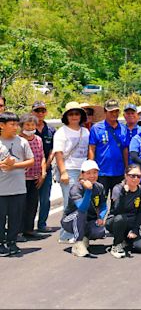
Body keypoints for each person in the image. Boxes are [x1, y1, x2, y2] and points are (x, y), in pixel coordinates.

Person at [53, 102, 90, 243]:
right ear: (66, 116)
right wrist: (63, 172)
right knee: (70, 203)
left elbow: (88, 151)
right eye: (71, 114)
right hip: (69, 169)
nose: (74, 116)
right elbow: (58, 153)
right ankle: (65, 234)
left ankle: (76, 230)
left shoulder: (85, 132)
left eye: (77, 114)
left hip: (83, 170)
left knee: (81, 203)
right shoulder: (61, 132)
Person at [0, 112, 34, 257]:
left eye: (16, 124)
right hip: (1, 190)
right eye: (12, 125)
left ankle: (12, 242)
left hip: (19, 188)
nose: (15, 127)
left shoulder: (22, 142)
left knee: (16, 218)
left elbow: (31, 161)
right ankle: (1, 243)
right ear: (1, 125)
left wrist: (15, 166)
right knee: (1, 219)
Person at [60, 160, 107, 257]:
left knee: (100, 231)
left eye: (95, 172)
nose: (92, 176)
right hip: (69, 220)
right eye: (88, 173)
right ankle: (78, 243)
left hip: (87, 220)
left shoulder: (99, 187)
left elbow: (103, 206)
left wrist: (101, 217)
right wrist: (88, 191)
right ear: (82, 174)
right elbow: (82, 208)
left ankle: (84, 237)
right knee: (82, 213)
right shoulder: (76, 188)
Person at [88, 99, 129, 198]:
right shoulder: (96, 128)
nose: (114, 114)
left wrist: (127, 169)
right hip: (102, 172)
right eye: (111, 111)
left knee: (117, 201)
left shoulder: (124, 129)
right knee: (100, 201)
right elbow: (91, 149)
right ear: (105, 112)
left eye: (116, 111)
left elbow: (125, 150)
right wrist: (91, 169)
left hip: (119, 171)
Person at [106, 164, 141, 258]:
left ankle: (125, 239)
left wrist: (135, 229)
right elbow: (117, 210)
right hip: (116, 221)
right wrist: (124, 194)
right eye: (132, 175)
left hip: (131, 223)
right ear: (126, 175)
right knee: (121, 218)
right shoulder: (118, 188)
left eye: (138, 176)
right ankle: (116, 245)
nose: (135, 178)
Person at [19, 114, 46, 238]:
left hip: (35, 177)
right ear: (21, 126)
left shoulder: (38, 140)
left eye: (32, 125)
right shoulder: (18, 140)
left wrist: (42, 173)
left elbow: (42, 157)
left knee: (33, 204)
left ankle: (29, 229)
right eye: (27, 125)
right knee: (20, 206)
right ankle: (18, 231)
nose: (30, 127)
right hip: (21, 178)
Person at [32, 101, 55, 233]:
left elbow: (53, 150)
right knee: (30, 199)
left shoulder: (51, 130)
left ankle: (42, 224)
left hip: (46, 168)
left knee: (45, 198)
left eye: (42, 111)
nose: (40, 113)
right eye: (37, 111)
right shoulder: (28, 127)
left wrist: (45, 168)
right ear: (32, 112)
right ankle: (26, 225)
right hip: (30, 170)